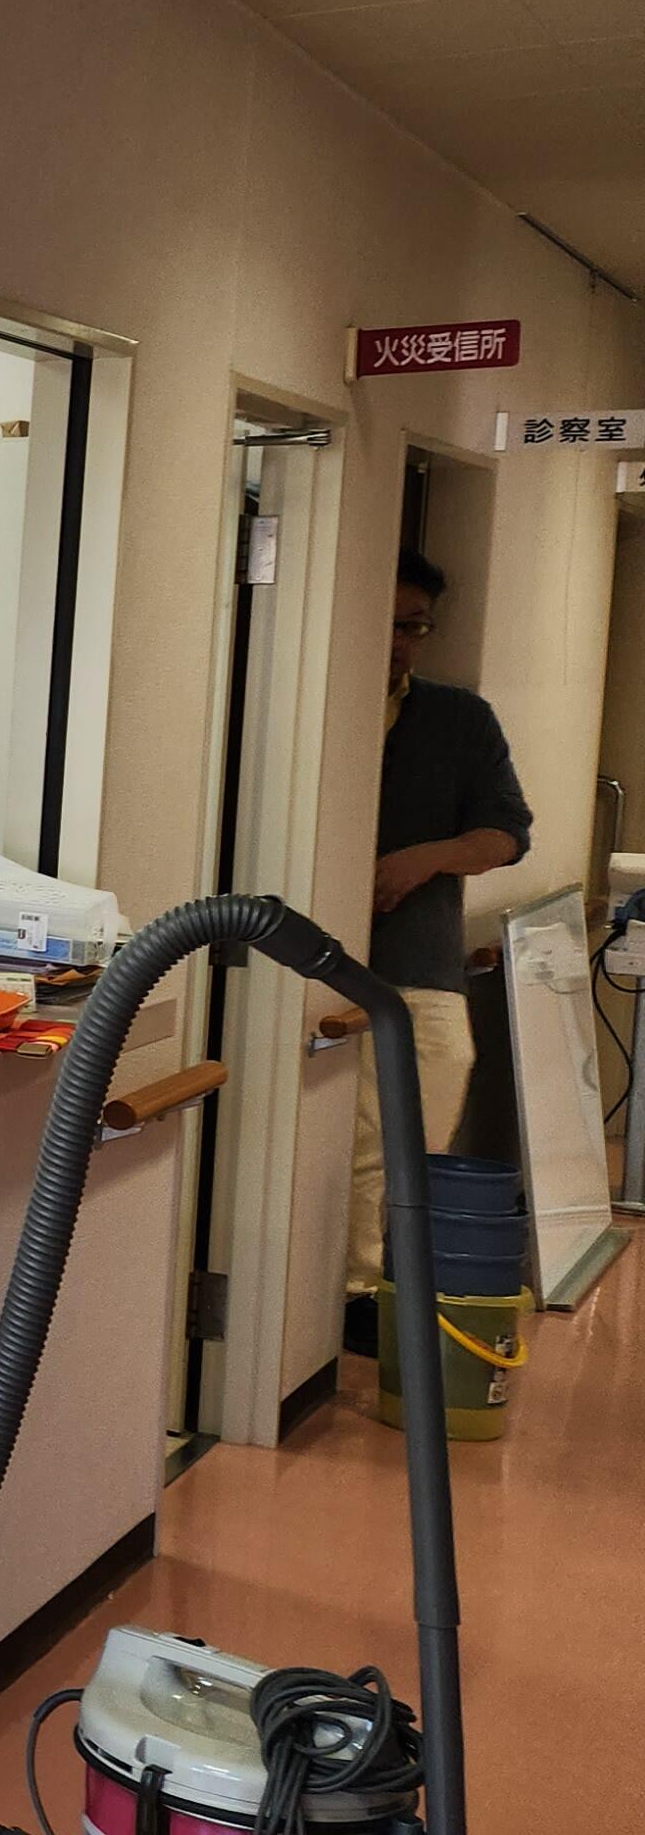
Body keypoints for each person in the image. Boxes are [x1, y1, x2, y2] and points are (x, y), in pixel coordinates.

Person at [349, 547, 530, 1306]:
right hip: (306, 971)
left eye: (414, 626)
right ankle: (349, 1296)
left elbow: (506, 834)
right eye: (385, 622)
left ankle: (384, 1292)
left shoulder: (459, 718)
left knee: (415, 1136)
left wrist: (424, 859)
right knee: (346, 1144)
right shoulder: (305, 706)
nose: (399, 642)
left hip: (419, 966)